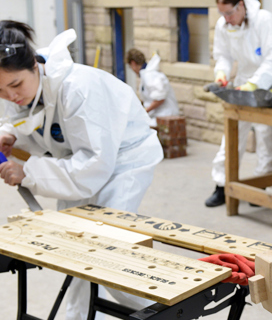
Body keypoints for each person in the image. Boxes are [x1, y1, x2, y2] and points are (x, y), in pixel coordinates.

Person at [0, 21, 163, 320]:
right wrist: (10, 132)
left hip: (124, 161)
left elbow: (93, 167)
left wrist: (29, 174)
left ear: (35, 66)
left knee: (105, 252)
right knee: (75, 251)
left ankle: (163, 312)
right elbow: (27, 115)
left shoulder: (79, 89)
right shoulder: (24, 87)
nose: (10, 96)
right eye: (0, 90)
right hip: (76, 160)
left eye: (14, 86)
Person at [205, 0, 272, 207]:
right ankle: (221, 185)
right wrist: (221, 73)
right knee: (231, 135)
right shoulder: (224, 24)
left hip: (268, 84)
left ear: (240, 6)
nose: (226, 19)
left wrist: (253, 85)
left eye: (229, 13)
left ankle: (261, 186)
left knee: (266, 137)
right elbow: (222, 55)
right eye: (222, 14)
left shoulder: (264, 20)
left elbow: (271, 60)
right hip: (242, 84)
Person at [126, 48, 180, 127]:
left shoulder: (150, 75)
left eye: (131, 67)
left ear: (133, 63)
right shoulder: (146, 75)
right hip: (158, 115)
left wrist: (144, 111)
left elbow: (160, 98)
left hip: (165, 115)